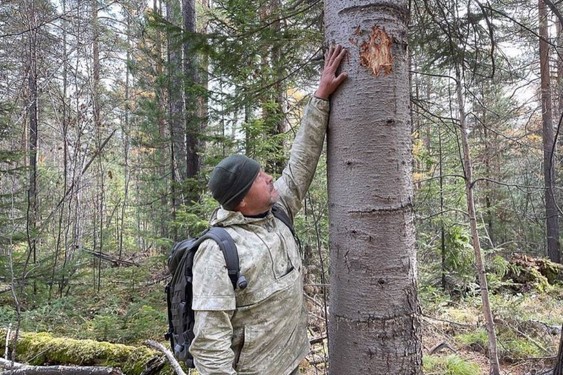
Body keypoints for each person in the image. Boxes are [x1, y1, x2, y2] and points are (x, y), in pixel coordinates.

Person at [190, 44, 348, 375]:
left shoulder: (277, 212)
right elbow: (209, 342)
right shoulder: (217, 251)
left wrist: (320, 97)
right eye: (260, 178)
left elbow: (301, 161)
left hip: (292, 362)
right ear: (242, 199)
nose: (270, 178)